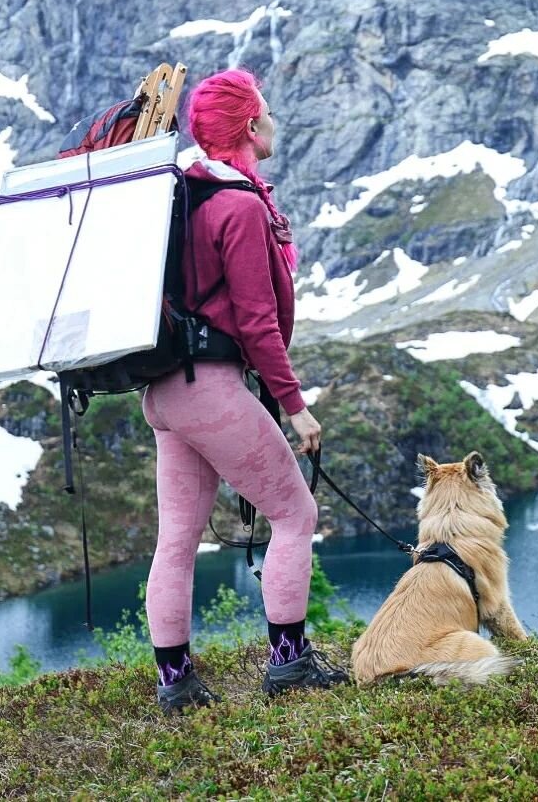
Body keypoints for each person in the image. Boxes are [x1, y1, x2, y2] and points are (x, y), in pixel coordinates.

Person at [142, 67, 349, 714]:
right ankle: (288, 664)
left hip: (164, 391)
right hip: (211, 389)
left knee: (177, 540)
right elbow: (258, 324)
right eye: (267, 112)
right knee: (295, 515)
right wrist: (295, 407)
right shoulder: (238, 205)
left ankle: (176, 683)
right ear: (252, 126)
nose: (274, 122)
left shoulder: (182, 196)